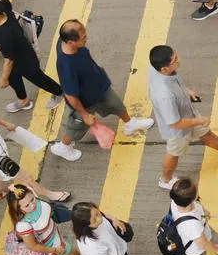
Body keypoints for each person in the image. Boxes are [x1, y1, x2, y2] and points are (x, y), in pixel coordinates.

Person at [148, 45, 218, 189]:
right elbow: (174, 123)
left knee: (206, 134)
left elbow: (174, 82)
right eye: (175, 60)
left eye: (176, 55)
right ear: (164, 68)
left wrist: (186, 91)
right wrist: (200, 120)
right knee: (173, 153)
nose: (179, 60)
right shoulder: (165, 95)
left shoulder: (155, 69)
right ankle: (165, 180)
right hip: (178, 131)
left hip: (187, 114)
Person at [52, 20, 154, 162]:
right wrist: (84, 114)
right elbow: (70, 95)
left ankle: (130, 124)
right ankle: (63, 147)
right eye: (83, 38)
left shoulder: (64, 41)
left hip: (98, 87)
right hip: (84, 101)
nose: (86, 38)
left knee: (116, 104)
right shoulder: (67, 65)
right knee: (76, 127)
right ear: (70, 42)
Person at [0, 0, 63, 112]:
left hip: (26, 62)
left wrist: (3, 79)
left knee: (39, 79)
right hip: (22, 53)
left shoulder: (2, 36)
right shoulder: (7, 12)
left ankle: (59, 92)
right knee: (13, 77)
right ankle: (23, 101)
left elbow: (9, 60)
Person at [7, 185, 94, 255]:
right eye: (27, 205)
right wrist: (54, 250)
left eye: (32, 199)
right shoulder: (23, 225)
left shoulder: (36, 203)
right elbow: (32, 246)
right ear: (18, 208)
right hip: (50, 244)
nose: (32, 205)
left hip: (52, 236)